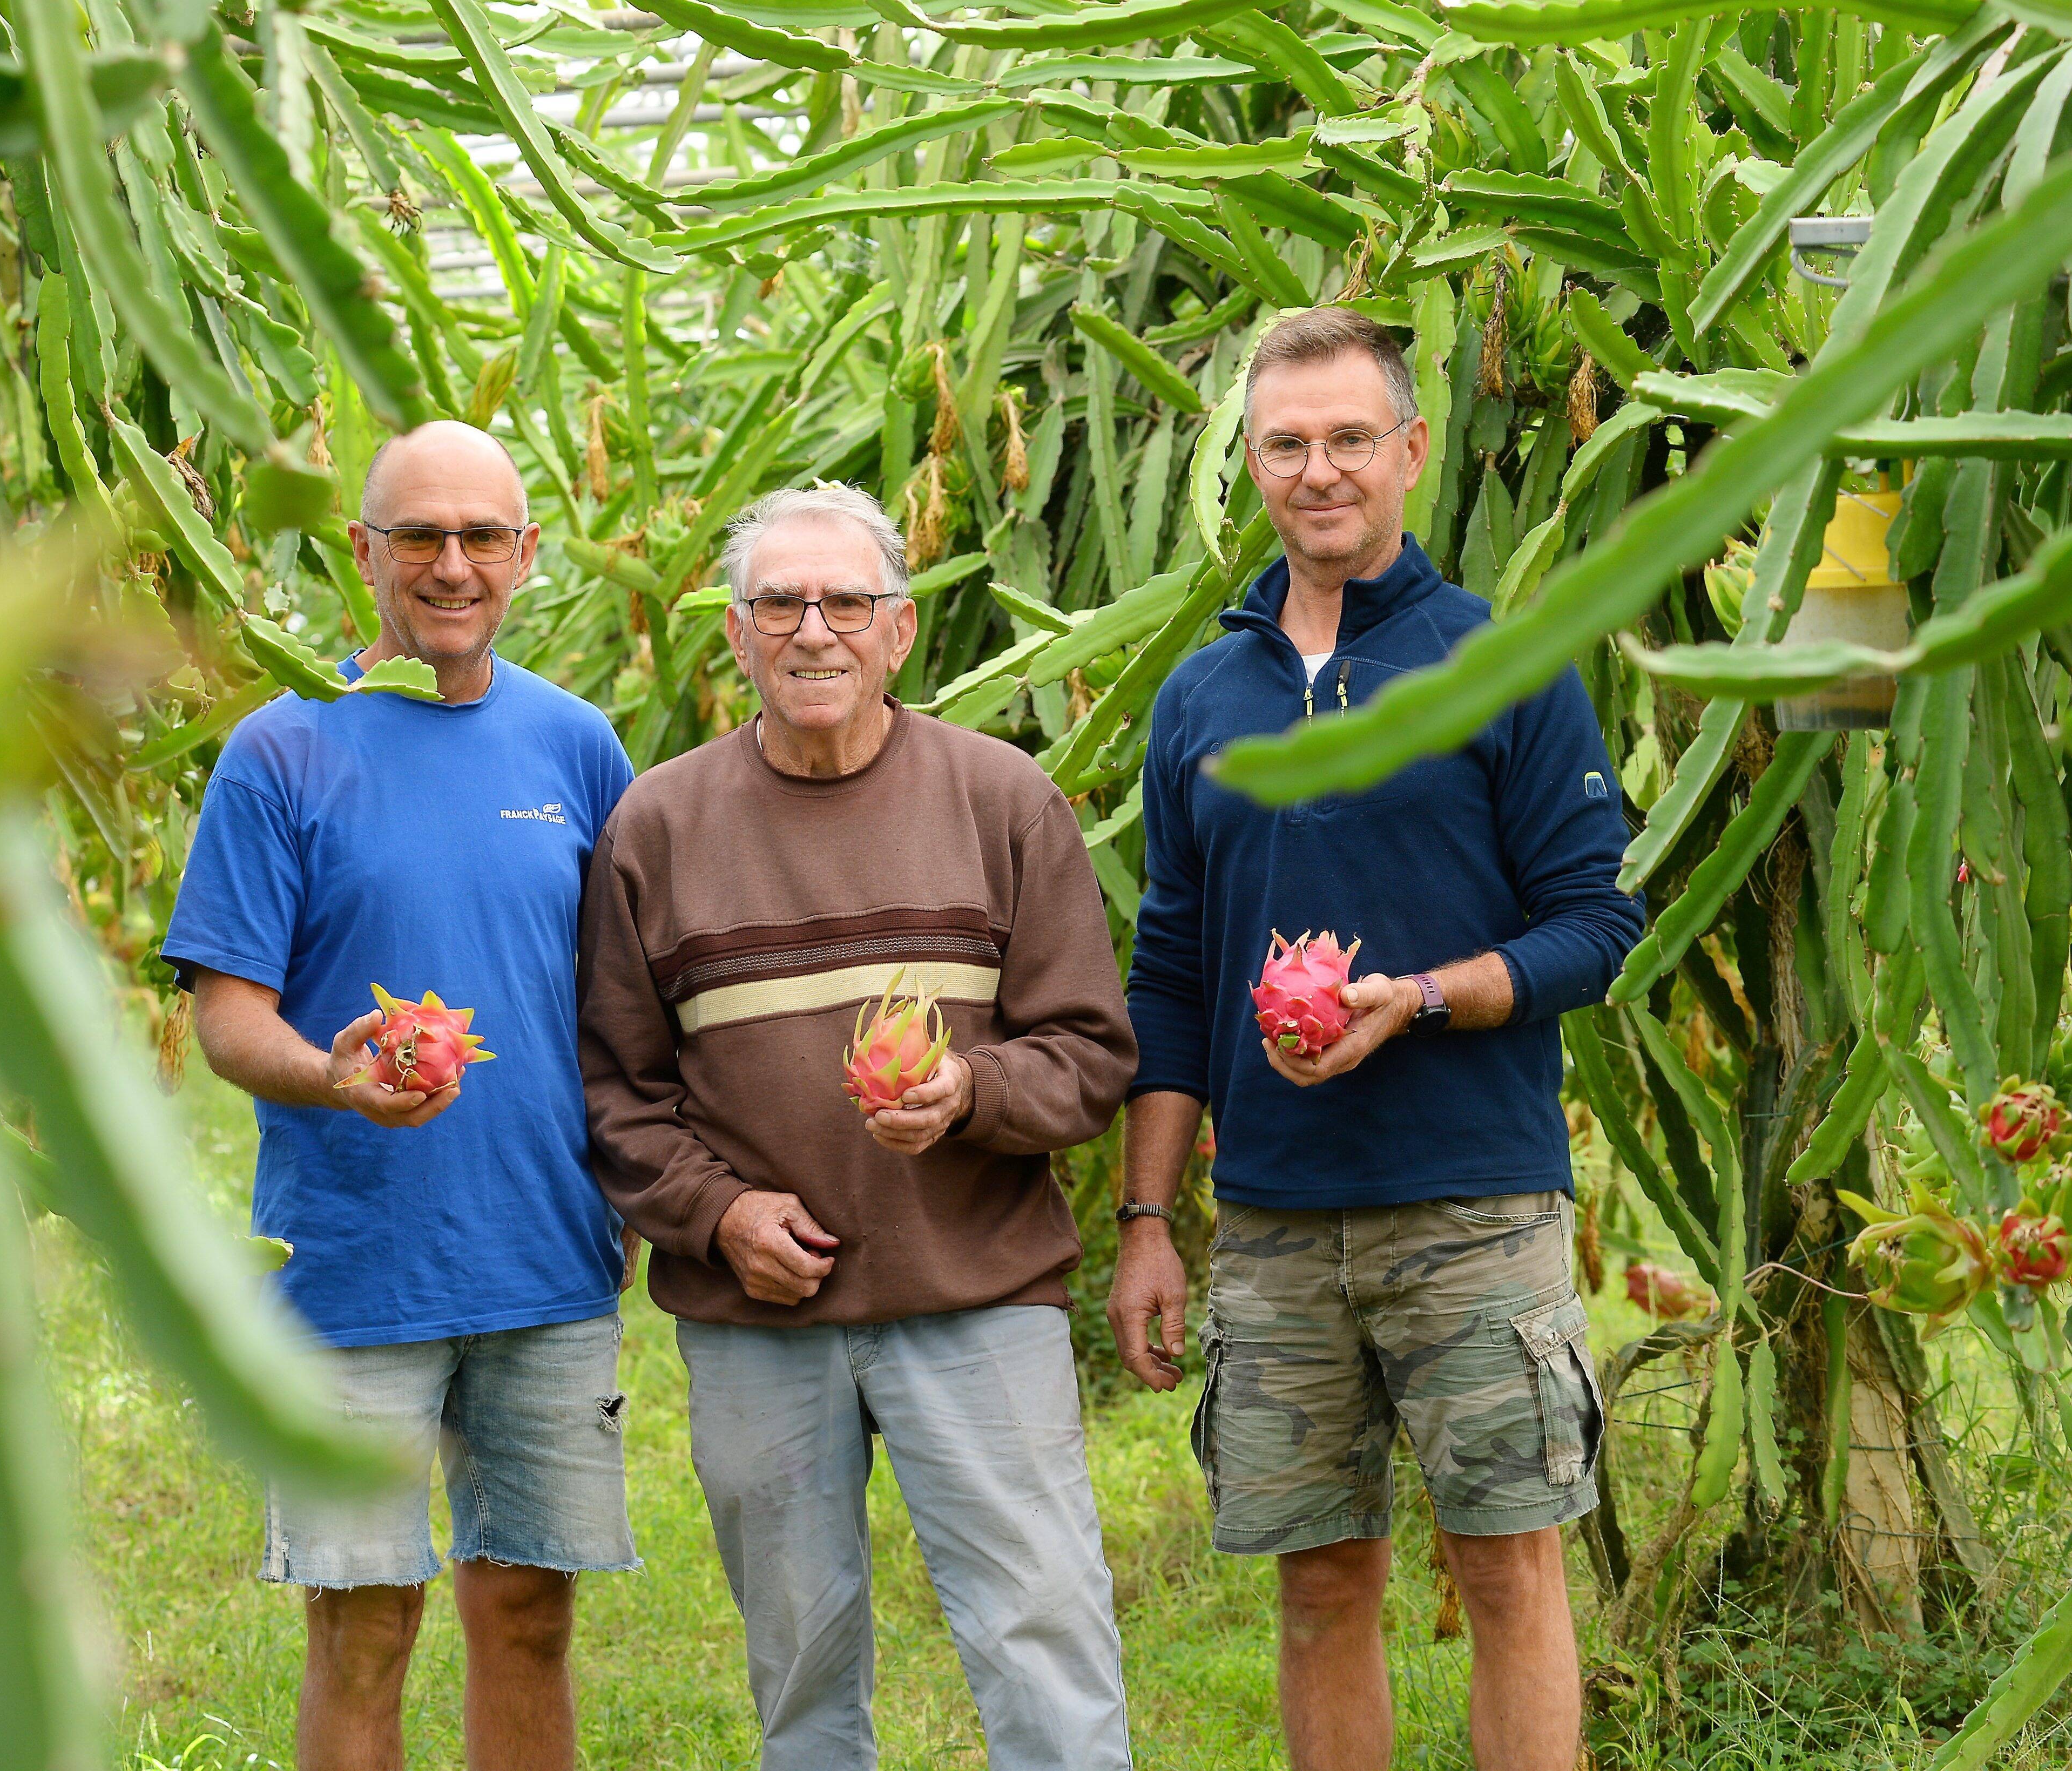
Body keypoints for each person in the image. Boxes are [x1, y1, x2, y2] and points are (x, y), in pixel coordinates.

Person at [1110, 306, 1646, 1771]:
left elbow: (1600, 926)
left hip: (1474, 1205)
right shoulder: (1200, 696)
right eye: (1286, 443)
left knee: (1507, 1574)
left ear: (1413, 449)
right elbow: (1172, 970)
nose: (1320, 469)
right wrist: (1152, 1218)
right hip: (1277, 1221)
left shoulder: (1501, 663)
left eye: (1351, 438)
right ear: (1254, 465)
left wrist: (1417, 998)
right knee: (1317, 1583)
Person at [578, 484, 1140, 1771]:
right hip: (760, 1323)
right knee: (800, 1666)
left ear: (899, 633)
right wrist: (721, 1215)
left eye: (847, 601)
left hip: (978, 1296)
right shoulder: (657, 828)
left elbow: (1089, 1050)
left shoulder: (1001, 800)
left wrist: (971, 1097)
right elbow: (618, 1089)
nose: (813, 628)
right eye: (781, 601)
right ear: (739, 633)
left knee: (1043, 1632)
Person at [161, 420, 638, 1771]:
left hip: (547, 1256)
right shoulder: (283, 747)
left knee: (530, 1610)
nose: (449, 563)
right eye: (417, 535)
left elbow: (617, 999)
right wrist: (335, 1076)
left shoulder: (577, 746)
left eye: (480, 535)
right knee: (363, 1624)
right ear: (361, 552)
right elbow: (227, 1017)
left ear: (526, 555)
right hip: (354, 1261)